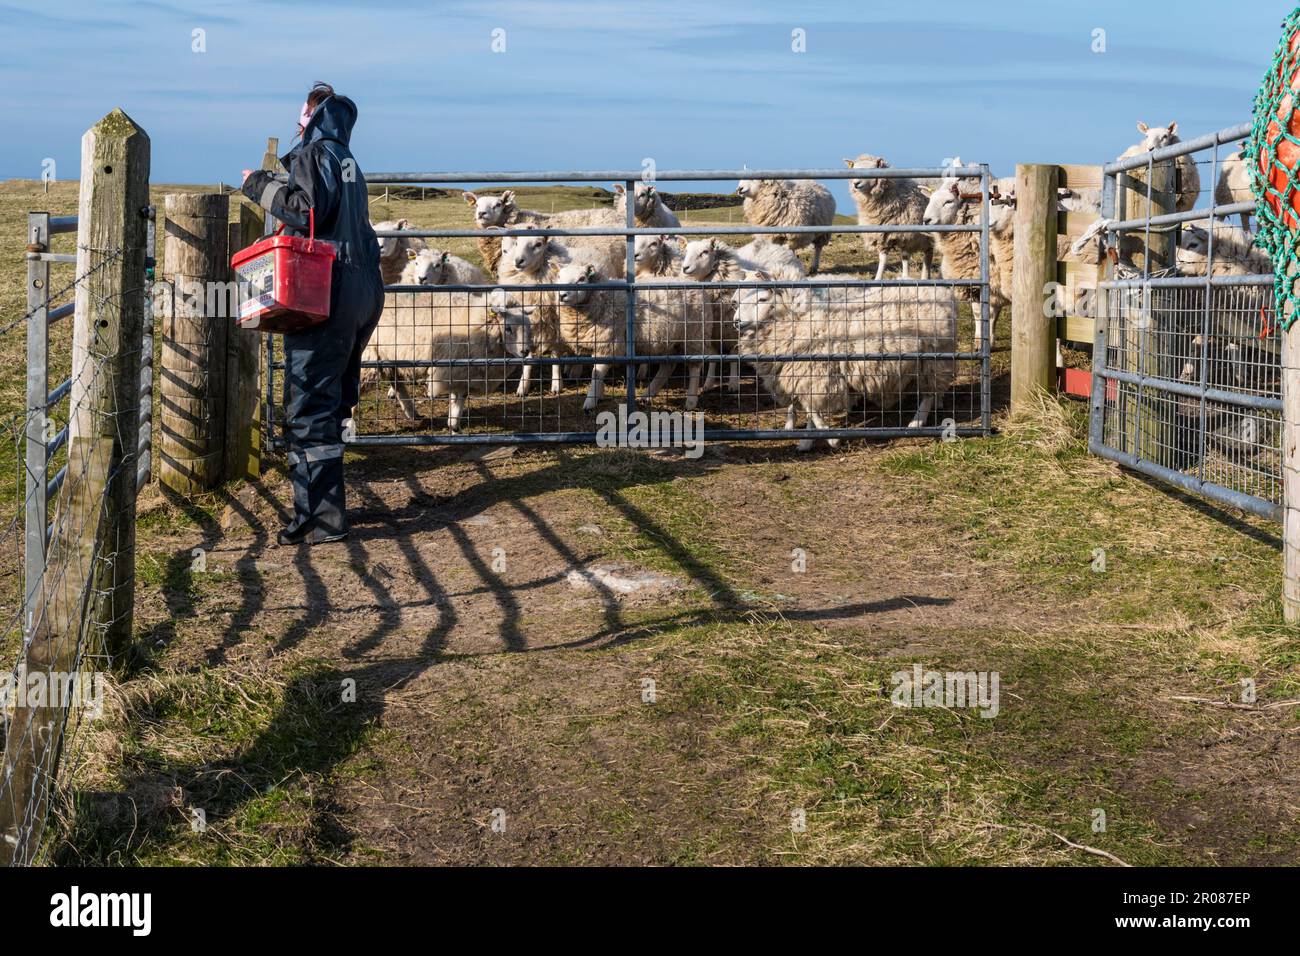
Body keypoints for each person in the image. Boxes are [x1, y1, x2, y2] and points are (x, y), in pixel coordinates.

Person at [242, 83, 384, 545]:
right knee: (335, 399)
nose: (297, 123)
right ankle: (329, 506)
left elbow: (305, 212)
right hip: (364, 291)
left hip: (327, 291)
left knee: (309, 406)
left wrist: (257, 185)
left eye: (301, 115)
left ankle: (320, 520)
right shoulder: (349, 162)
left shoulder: (313, 154)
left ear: (311, 116)